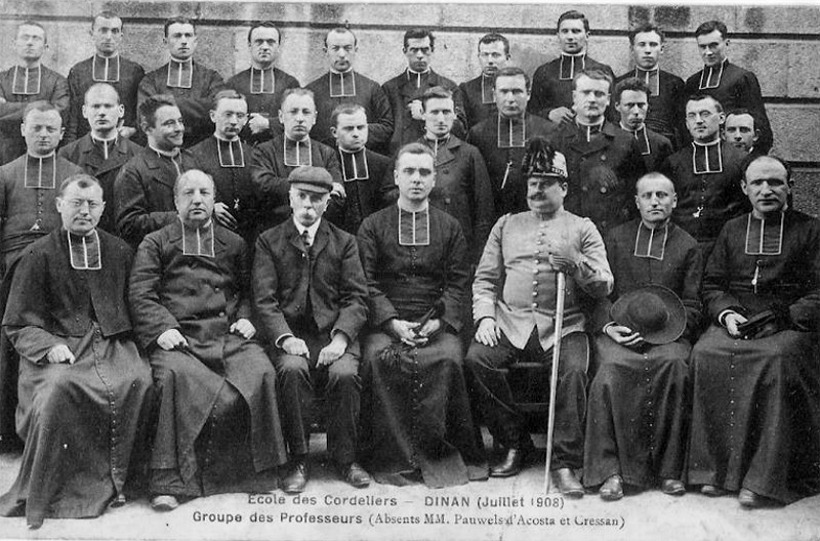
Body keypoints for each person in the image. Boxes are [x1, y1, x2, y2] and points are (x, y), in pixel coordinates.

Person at [129, 169, 287, 511]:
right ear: (175, 201)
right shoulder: (155, 243)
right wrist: (161, 328)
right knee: (172, 378)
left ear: (214, 200)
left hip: (226, 335)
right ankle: (168, 482)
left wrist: (246, 318)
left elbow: (250, 291)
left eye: (204, 193)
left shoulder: (233, 242)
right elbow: (141, 294)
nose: (197, 199)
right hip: (179, 338)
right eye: (188, 193)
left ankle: (261, 476)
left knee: (261, 371)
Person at [0, 174, 152, 529]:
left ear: (102, 209)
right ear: (59, 206)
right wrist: (48, 346)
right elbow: (18, 323)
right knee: (57, 392)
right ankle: (59, 491)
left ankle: (121, 482)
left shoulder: (119, 251)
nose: (84, 211)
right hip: (57, 347)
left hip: (113, 343)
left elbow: (137, 304)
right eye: (76, 204)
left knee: (139, 379)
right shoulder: (36, 255)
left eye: (92, 204)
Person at [464, 137, 612, 496]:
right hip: (509, 321)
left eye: (545, 183)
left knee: (573, 371)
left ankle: (564, 462)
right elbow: (484, 280)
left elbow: (605, 284)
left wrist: (575, 263)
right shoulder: (507, 225)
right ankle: (514, 443)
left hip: (564, 324)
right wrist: (485, 318)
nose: (536, 190)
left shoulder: (582, 227)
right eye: (532, 183)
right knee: (478, 360)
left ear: (563, 187)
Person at [687, 155, 820, 507]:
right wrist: (727, 314)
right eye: (758, 183)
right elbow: (713, 284)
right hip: (739, 318)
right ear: (745, 189)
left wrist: (787, 316)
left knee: (775, 359)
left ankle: (763, 480)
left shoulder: (811, 230)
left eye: (775, 182)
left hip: (789, 322)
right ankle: (713, 471)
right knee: (706, 353)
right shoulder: (732, 229)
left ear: (790, 187)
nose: (766, 190)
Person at [357, 143, 487, 487]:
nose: (417, 179)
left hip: (435, 320)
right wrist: (392, 322)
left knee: (449, 358)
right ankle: (390, 457)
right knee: (375, 358)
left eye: (425, 173)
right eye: (410, 172)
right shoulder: (372, 225)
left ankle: (437, 454)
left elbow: (458, 283)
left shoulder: (450, 226)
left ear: (434, 181)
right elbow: (366, 282)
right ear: (397, 176)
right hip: (386, 322)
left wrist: (439, 323)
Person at [584, 172, 703, 501]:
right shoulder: (615, 238)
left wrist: (668, 332)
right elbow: (597, 295)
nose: (655, 202)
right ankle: (610, 471)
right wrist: (609, 327)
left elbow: (692, 304)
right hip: (618, 332)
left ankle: (670, 470)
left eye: (662, 196)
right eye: (647, 196)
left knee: (676, 367)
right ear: (636, 202)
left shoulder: (688, 246)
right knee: (609, 372)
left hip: (670, 336)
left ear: (674, 201)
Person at [253, 166, 371, 493]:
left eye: (316, 199)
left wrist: (342, 338)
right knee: (291, 372)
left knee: (345, 375)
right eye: (301, 197)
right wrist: (285, 337)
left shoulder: (344, 242)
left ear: (327, 203)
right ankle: (299, 458)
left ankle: (345, 458)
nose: (308, 205)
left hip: (334, 335)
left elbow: (357, 297)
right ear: (290, 198)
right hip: (291, 336)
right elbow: (264, 300)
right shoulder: (269, 241)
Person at [0, 101, 82, 452]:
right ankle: (7, 429)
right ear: (23, 131)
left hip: (60, 269)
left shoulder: (73, 172)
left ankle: (49, 430)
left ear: (62, 133)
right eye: (37, 128)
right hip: (11, 273)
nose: (44, 135)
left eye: (51, 129)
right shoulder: (5, 174)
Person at [549, 69, 646, 232]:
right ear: (574, 98)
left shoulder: (626, 141)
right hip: (567, 232)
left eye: (599, 94)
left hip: (611, 234)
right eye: (586, 93)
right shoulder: (556, 140)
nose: (592, 99)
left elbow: (635, 195)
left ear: (608, 100)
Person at [660, 94, 747, 257]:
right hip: (682, 247)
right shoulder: (673, 162)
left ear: (721, 118)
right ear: (686, 123)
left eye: (705, 114)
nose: (698, 121)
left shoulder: (740, 160)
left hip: (728, 247)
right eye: (692, 116)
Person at [415, 86, 493, 263]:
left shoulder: (469, 153)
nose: (441, 119)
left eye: (446, 112)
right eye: (434, 112)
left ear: (454, 115)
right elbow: (389, 195)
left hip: (459, 245)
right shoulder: (409, 152)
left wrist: (478, 256)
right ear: (423, 114)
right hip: (420, 241)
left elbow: (483, 209)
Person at [250, 88, 343, 232]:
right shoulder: (264, 151)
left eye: (306, 112)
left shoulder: (327, 153)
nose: (299, 118)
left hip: (318, 230)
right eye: (293, 112)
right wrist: (318, 187)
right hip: (276, 231)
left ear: (314, 118)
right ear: (281, 116)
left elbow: (338, 197)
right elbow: (264, 188)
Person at [466, 67, 556, 217]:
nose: (510, 99)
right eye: (504, 91)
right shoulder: (478, 134)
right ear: (494, 95)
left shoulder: (548, 131)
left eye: (517, 91)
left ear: (528, 94)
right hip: (492, 218)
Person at [115, 94, 197, 247]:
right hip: (160, 254)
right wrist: (179, 217)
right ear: (147, 128)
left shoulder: (193, 160)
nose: (179, 128)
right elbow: (128, 225)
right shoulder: (133, 171)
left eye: (180, 121)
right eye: (169, 123)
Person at [59, 83, 143, 233]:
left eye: (108, 106)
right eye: (95, 107)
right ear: (84, 111)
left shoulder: (138, 154)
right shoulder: (68, 154)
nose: (102, 113)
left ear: (121, 110)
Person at [683, 20, 772, 153]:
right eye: (703, 47)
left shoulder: (742, 78)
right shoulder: (692, 82)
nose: (708, 52)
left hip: (733, 154)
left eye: (713, 45)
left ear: (726, 43)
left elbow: (760, 125)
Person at [138, 17, 224, 148]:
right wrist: (199, 108)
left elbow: (219, 112)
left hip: (201, 150)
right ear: (165, 42)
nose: (184, 41)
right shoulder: (151, 80)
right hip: (163, 149)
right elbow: (145, 116)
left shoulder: (211, 78)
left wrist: (165, 103)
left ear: (195, 41)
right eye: (177, 36)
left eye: (188, 36)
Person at [189, 90, 261, 244]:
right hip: (209, 236)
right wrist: (209, 206)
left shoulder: (256, 155)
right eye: (228, 114)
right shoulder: (194, 154)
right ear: (213, 116)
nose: (234, 121)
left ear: (246, 119)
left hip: (249, 236)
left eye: (240, 116)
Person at [305, 27, 393, 152]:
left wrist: (353, 132)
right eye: (335, 48)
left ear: (355, 50)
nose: (341, 54)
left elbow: (387, 126)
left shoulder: (372, 88)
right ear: (326, 51)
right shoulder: (311, 91)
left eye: (347, 48)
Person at [382, 29, 467, 154]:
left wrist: (425, 116)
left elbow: (461, 129)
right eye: (414, 50)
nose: (420, 55)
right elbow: (386, 129)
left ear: (432, 51)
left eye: (425, 49)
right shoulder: (390, 88)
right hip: (400, 154)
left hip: (437, 154)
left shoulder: (448, 86)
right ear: (405, 51)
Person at [65, 11, 144, 143]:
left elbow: (142, 112)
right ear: (92, 34)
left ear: (121, 35)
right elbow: (72, 118)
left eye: (114, 31)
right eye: (103, 30)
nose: (109, 37)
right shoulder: (78, 71)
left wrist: (133, 130)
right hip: (86, 144)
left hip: (124, 144)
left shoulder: (134, 71)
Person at [0, 21, 69, 166]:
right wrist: (44, 105)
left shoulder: (58, 81)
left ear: (45, 47)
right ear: (14, 44)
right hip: (5, 153)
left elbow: (58, 114)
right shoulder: (1, 79)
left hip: (44, 153)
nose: (29, 43)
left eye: (36, 38)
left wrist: (9, 108)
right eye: (25, 38)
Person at [528, 10, 614, 125]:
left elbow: (613, 113)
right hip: (555, 135)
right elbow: (531, 111)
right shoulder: (544, 71)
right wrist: (549, 113)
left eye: (576, 31)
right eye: (565, 31)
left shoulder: (603, 70)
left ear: (587, 35)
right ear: (558, 35)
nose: (570, 37)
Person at [225, 21, 299, 145]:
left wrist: (269, 124)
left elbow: (298, 118)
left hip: (279, 149)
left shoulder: (290, 83)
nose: (265, 47)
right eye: (259, 42)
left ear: (278, 46)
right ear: (249, 45)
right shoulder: (234, 83)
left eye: (270, 42)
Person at [615, 24, 684, 147]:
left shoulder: (675, 83)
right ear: (632, 49)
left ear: (661, 49)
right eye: (642, 45)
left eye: (653, 44)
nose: (647, 50)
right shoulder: (619, 83)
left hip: (665, 148)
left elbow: (681, 126)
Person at [330, 103, 393, 234]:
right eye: (348, 129)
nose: (356, 134)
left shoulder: (383, 164)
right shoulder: (327, 163)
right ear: (334, 132)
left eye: (361, 127)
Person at [613, 77, 674, 172]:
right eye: (629, 105)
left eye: (641, 105)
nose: (636, 111)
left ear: (648, 105)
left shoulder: (661, 144)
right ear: (617, 106)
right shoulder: (605, 143)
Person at [458, 33, 511, 129]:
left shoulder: (518, 87)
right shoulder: (467, 89)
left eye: (495, 55)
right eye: (485, 55)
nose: (490, 60)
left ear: (507, 58)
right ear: (479, 57)